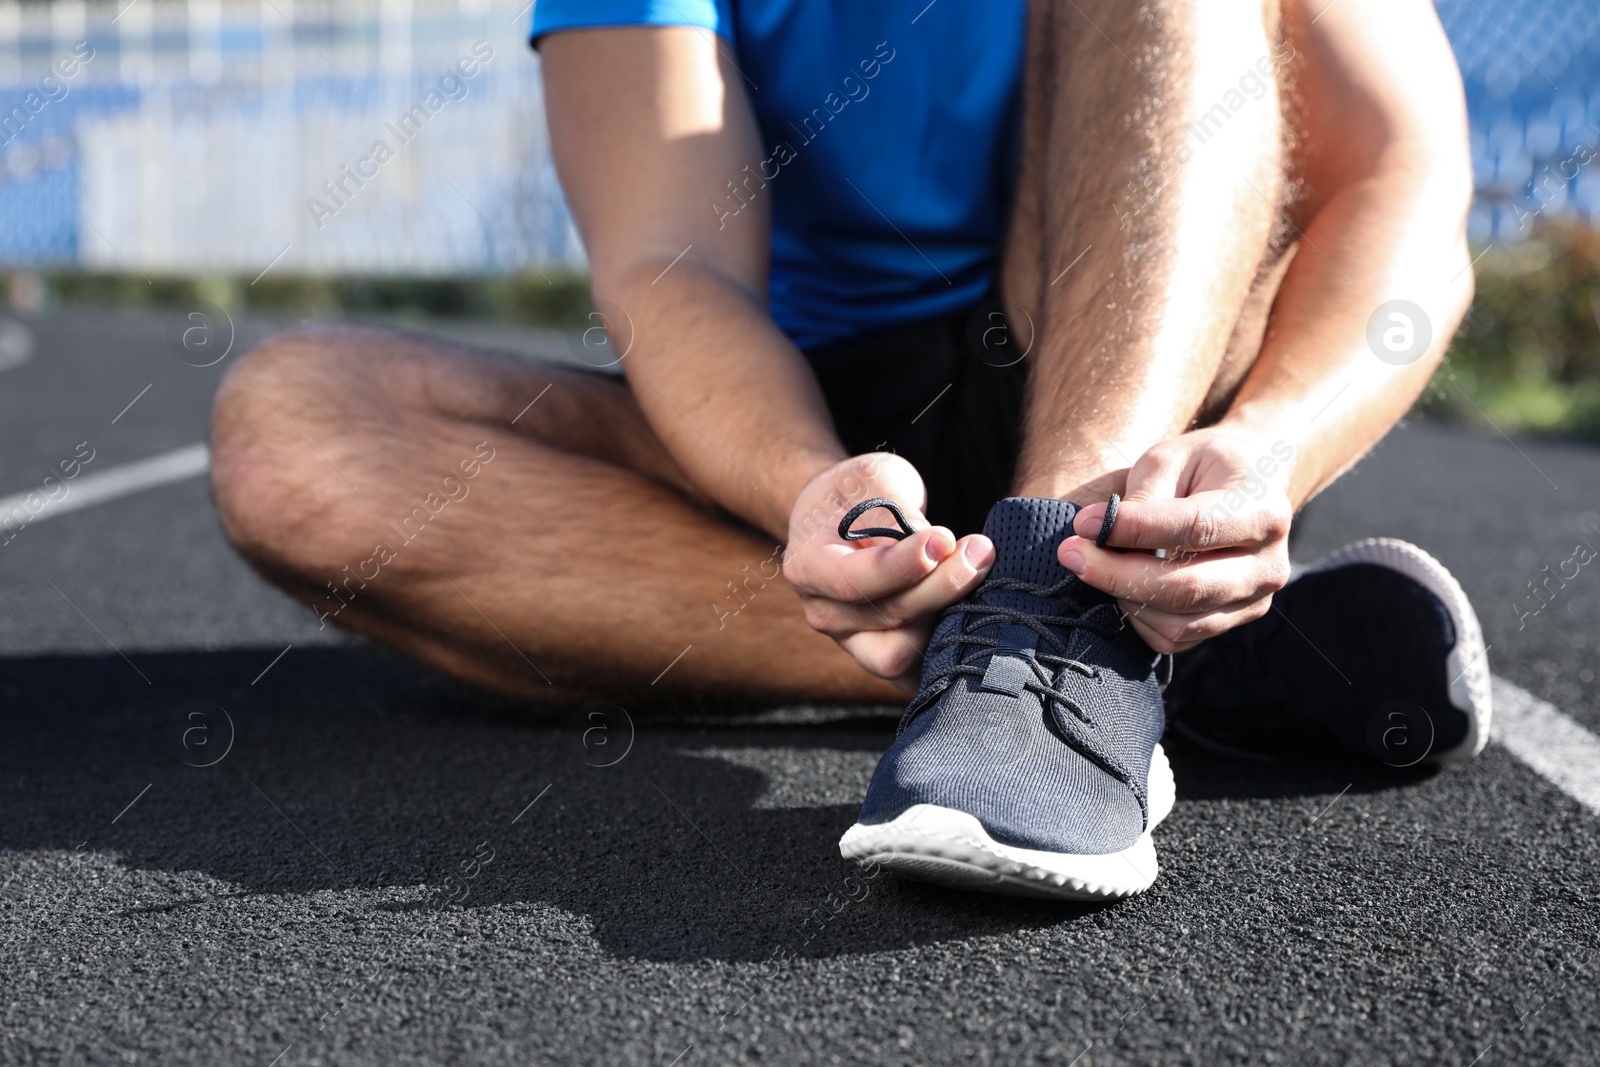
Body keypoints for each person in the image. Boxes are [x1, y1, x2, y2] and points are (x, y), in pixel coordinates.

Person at [208, 0, 1489, 900]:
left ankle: (1062, 588)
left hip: (1127, 364)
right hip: (823, 418)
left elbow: (1405, 183)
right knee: (295, 436)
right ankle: (1107, 655)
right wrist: (797, 484)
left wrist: (1265, 448)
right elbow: (672, 263)